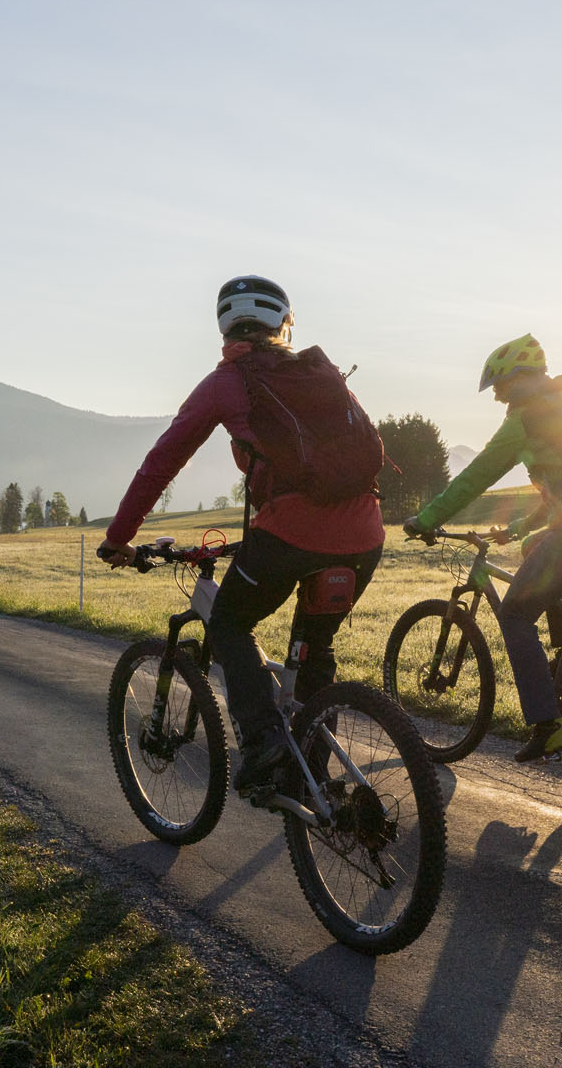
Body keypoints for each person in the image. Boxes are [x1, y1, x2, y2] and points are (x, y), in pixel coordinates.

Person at [97, 277, 387, 799]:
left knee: (229, 622)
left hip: (290, 534)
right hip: (365, 534)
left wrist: (119, 537)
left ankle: (263, 742)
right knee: (314, 648)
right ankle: (311, 781)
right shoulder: (321, 375)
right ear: (283, 324)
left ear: (225, 327)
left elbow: (162, 462)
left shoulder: (227, 381)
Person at [401, 334, 562, 762]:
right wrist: (519, 529)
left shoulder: (526, 420)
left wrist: (425, 520)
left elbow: (474, 477)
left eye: (500, 385)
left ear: (520, 378)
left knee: (514, 615)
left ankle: (547, 725)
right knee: (536, 546)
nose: (498, 396)